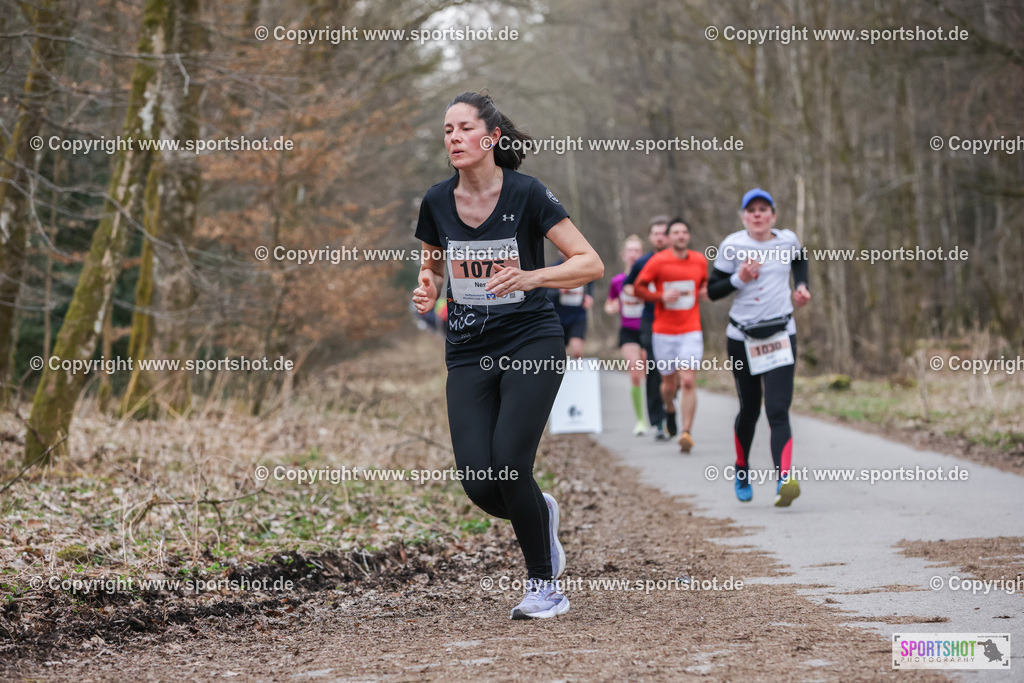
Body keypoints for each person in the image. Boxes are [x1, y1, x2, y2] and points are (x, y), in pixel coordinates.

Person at [411, 92, 603, 619]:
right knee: (479, 481)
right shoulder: (435, 202)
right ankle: (540, 513)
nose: (452, 137)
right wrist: (428, 290)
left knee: (511, 465)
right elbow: (431, 269)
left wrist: (532, 276)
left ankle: (545, 586)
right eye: (447, 130)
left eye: (464, 128)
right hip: (469, 349)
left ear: (490, 138)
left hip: (530, 340)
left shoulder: (528, 193)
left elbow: (590, 263)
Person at [707, 188, 811, 507]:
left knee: (777, 409)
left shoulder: (787, 240)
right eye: (751, 210)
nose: (757, 214)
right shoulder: (732, 245)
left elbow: (800, 259)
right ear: (743, 216)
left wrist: (802, 286)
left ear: (773, 216)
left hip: (781, 334)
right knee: (750, 409)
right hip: (742, 338)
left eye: (763, 209)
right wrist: (740, 278)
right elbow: (712, 291)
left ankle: (783, 479)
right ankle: (742, 470)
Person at [633, 218, 708, 453]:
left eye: (684, 231)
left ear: (689, 236)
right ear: (669, 237)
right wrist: (661, 296)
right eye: (676, 232)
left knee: (687, 380)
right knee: (668, 384)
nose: (681, 235)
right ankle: (669, 409)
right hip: (663, 332)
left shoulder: (699, 261)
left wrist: (704, 291)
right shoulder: (658, 262)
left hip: (691, 329)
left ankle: (686, 432)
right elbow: (638, 288)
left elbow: (704, 285)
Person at [622, 217, 670, 440]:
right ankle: (658, 420)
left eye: (664, 233)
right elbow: (628, 287)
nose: (660, 237)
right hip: (651, 321)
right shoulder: (643, 263)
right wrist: (647, 294)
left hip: (678, 322)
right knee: (654, 368)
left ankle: (671, 407)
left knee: (674, 372)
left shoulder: (682, 260)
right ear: (650, 237)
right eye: (656, 233)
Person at [605, 235, 647, 435]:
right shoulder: (617, 281)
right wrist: (612, 306)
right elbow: (609, 303)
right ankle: (640, 420)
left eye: (637, 251)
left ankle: (658, 411)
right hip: (628, 332)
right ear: (623, 255)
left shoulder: (648, 278)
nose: (633, 254)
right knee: (635, 372)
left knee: (652, 374)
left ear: (641, 255)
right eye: (629, 250)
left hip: (649, 330)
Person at [549, 252, 594, 359]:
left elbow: (591, 282)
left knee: (577, 351)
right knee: (560, 355)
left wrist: (589, 296)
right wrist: (559, 291)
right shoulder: (554, 268)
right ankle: (565, 374)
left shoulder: (583, 268)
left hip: (578, 316)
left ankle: (579, 374)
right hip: (559, 317)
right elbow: (546, 292)